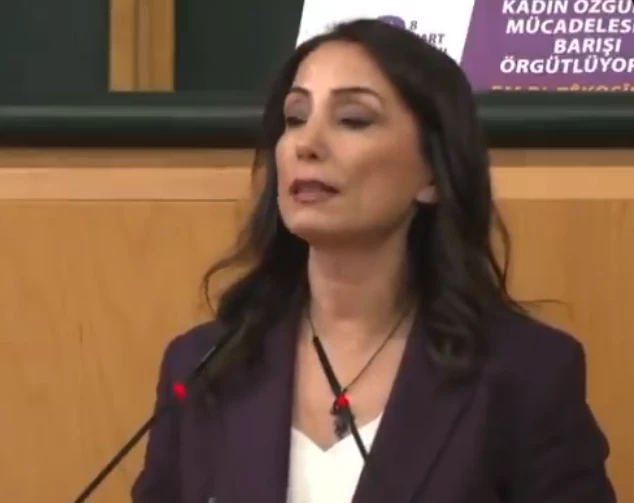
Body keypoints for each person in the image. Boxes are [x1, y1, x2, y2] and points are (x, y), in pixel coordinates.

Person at [131, 18, 616, 503]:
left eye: (353, 119)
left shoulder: (525, 374)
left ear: (433, 174)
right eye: (295, 118)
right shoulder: (203, 367)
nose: (306, 144)